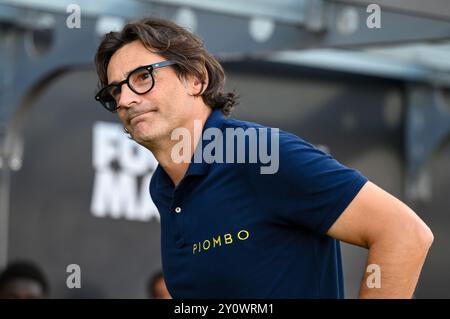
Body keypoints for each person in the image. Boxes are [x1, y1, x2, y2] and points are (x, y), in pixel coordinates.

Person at [93, 17, 433, 298]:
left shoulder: (258, 154)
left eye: (142, 77)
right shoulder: (163, 187)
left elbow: (404, 232)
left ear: (195, 79)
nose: (125, 99)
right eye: (115, 90)